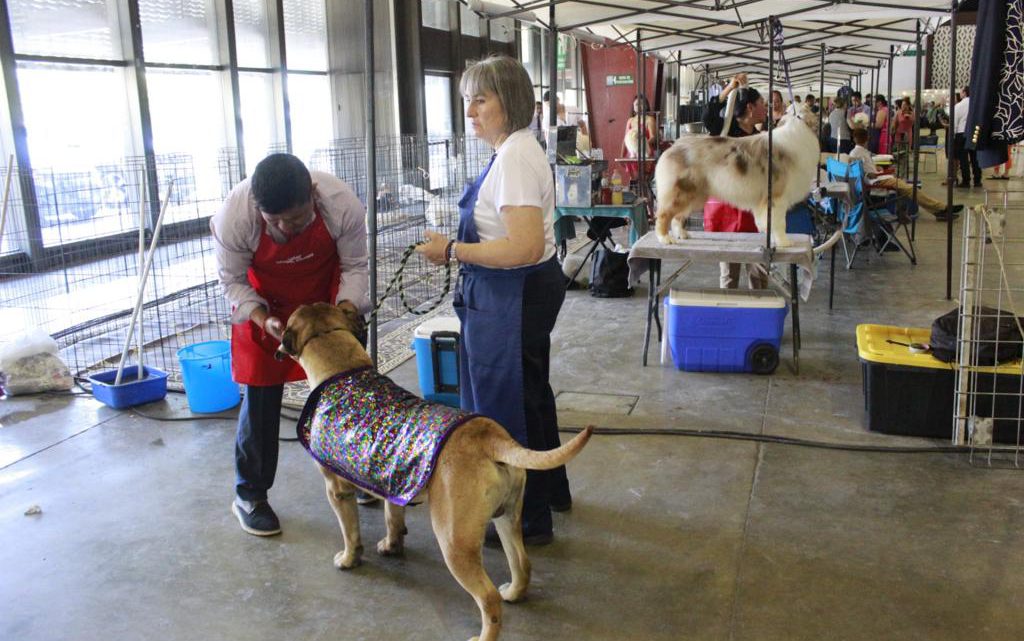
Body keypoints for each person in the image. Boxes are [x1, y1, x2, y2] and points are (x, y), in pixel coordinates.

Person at [417, 55, 569, 547]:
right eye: (467, 101)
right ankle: (550, 494)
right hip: (514, 291)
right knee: (530, 395)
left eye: (480, 100)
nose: (470, 112)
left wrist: (452, 250)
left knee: (507, 409)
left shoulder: (515, 158)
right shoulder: (513, 151)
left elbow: (523, 245)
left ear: (511, 101)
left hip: (513, 292)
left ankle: (525, 518)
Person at [211, 153, 371, 536]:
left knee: (350, 390)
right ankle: (250, 494)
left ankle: (362, 475)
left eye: (296, 219)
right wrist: (261, 319)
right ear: (257, 208)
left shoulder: (341, 203)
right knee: (261, 396)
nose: (286, 228)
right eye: (275, 221)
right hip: (267, 308)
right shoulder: (234, 217)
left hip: (325, 301)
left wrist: (342, 316)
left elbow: (355, 266)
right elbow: (232, 281)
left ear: (313, 195)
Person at [701, 72, 769, 290]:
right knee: (730, 273)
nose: (765, 108)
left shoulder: (761, 136)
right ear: (750, 108)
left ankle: (759, 315)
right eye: (762, 104)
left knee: (759, 270)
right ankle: (729, 316)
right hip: (728, 209)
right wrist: (729, 89)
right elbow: (708, 115)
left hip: (755, 209)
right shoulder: (726, 130)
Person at [849, 128, 963, 221]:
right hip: (876, 181)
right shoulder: (857, 153)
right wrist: (870, 173)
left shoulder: (858, 152)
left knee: (911, 190)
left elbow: (859, 170)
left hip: (878, 178)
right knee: (911, 190)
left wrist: (874, 169)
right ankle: (942, 208)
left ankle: (939, 209)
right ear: (867, 139)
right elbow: (859, 173)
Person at [954, 86, 982, 188]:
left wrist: (953, 135)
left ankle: (966, 181)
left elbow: (955, 123)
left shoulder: (958, 106)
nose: (960, 94)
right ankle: (977, 180)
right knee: (975, 158)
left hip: (961, 134)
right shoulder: (976, 104)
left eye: (961, 92)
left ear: (965, 93)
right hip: (974, 133)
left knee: (963, 158)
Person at [623, 94, 657, 159]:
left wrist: (641, 146)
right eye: (637, 104)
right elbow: (625, 139)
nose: (639, 106)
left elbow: (653, 137)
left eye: (642, 104)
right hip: (631, 154)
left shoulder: (650, 119)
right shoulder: (630, 121)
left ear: (646, 106)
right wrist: (622, 155)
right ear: (633, 107)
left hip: (645, 154)